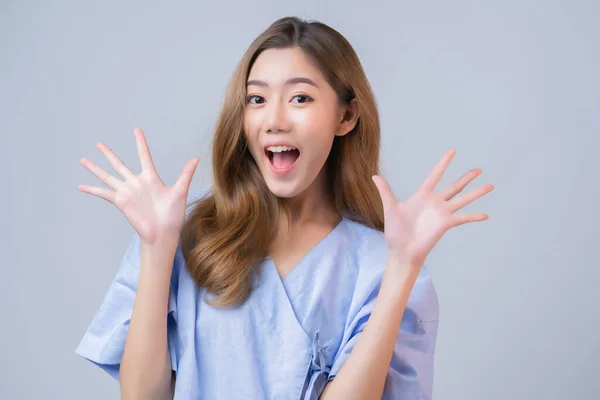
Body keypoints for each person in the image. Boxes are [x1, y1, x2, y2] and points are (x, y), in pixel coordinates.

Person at [75, 16, 493, 400]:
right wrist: (156, 248)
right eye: (256, 100)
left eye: (299, 98)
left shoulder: (383, 267)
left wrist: (402, 268)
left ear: (346, 116)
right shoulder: (182, 232)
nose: (274, 120)